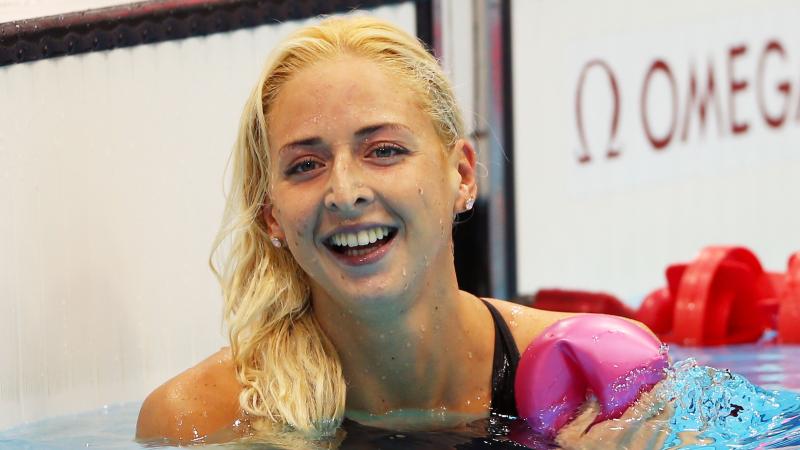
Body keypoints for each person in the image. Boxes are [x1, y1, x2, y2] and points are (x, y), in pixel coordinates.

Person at [134, 15, 665, 448]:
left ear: (460, 174)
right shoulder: (201, 420)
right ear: (271, 214)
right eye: (305, 165)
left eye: (383, 151)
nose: (345, 192)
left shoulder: (595, 379)